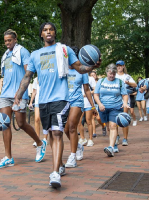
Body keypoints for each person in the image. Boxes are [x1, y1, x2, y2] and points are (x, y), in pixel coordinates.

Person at [13, 22, 100, 188]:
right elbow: (27, 76)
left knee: (58, 132)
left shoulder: (64, 50)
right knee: (52, 135)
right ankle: (59, 164)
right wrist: (18, 94)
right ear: (41, 34)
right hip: (43, 100)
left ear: (54, 32)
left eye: (51, 29)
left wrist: (92, 66)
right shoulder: (35, 55)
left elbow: (79, 68)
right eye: (45, 30)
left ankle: (54, 174)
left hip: (60, 98)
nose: (48, 32)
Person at [0, 29, 47, 169]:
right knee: (4, 124)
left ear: (15, 40)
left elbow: (28, 73)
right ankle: (8, 157)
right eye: (5, 41)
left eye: (10, 40)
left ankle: (39, 143)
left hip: (19, 94)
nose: (7, 43)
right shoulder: (5, 56)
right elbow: (5, 77)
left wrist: (20, 92)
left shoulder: (22, 52)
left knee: (21, 123)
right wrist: (0, 96)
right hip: (6, 94)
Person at [64, 46, 97, 167]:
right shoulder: (63, 70)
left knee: (72, 126)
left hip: (77, 101)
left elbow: (87, 90)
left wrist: (93, 107)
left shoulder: (82, 71)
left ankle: (72, 156)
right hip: (65, 102)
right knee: (66, 130)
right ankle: (78, 146)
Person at [94, 63, 129, 156]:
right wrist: (100, 104)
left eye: (113, 74)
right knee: (109, 127)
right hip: (103, 108)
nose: (112, 76)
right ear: (106, 73)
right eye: (110, 73)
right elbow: (96, 94)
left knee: (113, 125)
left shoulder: (119, 82)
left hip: (116, 107)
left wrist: (125, 103)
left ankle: (111, 147)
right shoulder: (101, 81)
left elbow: (125, 95)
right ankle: (114, 144)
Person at [115, 60, 137, 146]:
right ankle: (116, 136)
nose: (119, 67)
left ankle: (125, 138)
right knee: (115, 119)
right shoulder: (114, 75)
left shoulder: (127, 76)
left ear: (124, 66)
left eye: (120, 65)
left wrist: (128, 83)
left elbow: (135, 85)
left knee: (124, 119)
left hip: (125, 101)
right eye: (117, 66)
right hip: (115, 100)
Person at [29, 77, 48, 147]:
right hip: (37, 101)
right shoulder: (35, 79)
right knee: (37, 119)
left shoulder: (47, 77)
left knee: (45, 120)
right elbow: (34, 91)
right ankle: (37, 139)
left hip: (46, 101)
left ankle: (45, 138)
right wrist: (31, 102)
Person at [78, 75, 96, 146]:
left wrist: (87, 94)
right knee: (79, 122)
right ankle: (82, 138)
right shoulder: (77, 76)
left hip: (88, 102)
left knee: (89, 120)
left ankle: (90, 139)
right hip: (79, 102)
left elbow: (95, 89)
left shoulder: (90, 78)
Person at [89, 71, 107, 136]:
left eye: (94, 75)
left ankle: (103, 126)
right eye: (91, 75)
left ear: (96, 76)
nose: (93, 76)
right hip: (91, 102)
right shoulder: (89, 83)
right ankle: (94, 132)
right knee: (92, 118)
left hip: (98, 102)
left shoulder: (100, 83)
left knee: (98, 118)